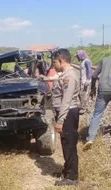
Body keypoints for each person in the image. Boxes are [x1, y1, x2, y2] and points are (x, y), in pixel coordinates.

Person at [45, 48, 80, 186]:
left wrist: (60, 120)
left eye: (54, 62)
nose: (53, 65)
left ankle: (72, 177)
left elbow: (66, 100)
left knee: (69, 145)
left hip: (68, 114)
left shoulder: (69, 76)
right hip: (67, 113)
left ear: (61, 60)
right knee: (66, 144)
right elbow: (57, 79)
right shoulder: (65, 74)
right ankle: (67, 170)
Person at [76, 50, 93, 114]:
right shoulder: (83, 62)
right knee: (81, 93)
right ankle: (82, 105)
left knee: (84, 94)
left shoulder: (87, 61)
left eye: (78, 56)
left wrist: (88, 79)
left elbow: (89, 70)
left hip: (85, 81)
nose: (77, 57)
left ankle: (84, 108)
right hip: (82, 80)